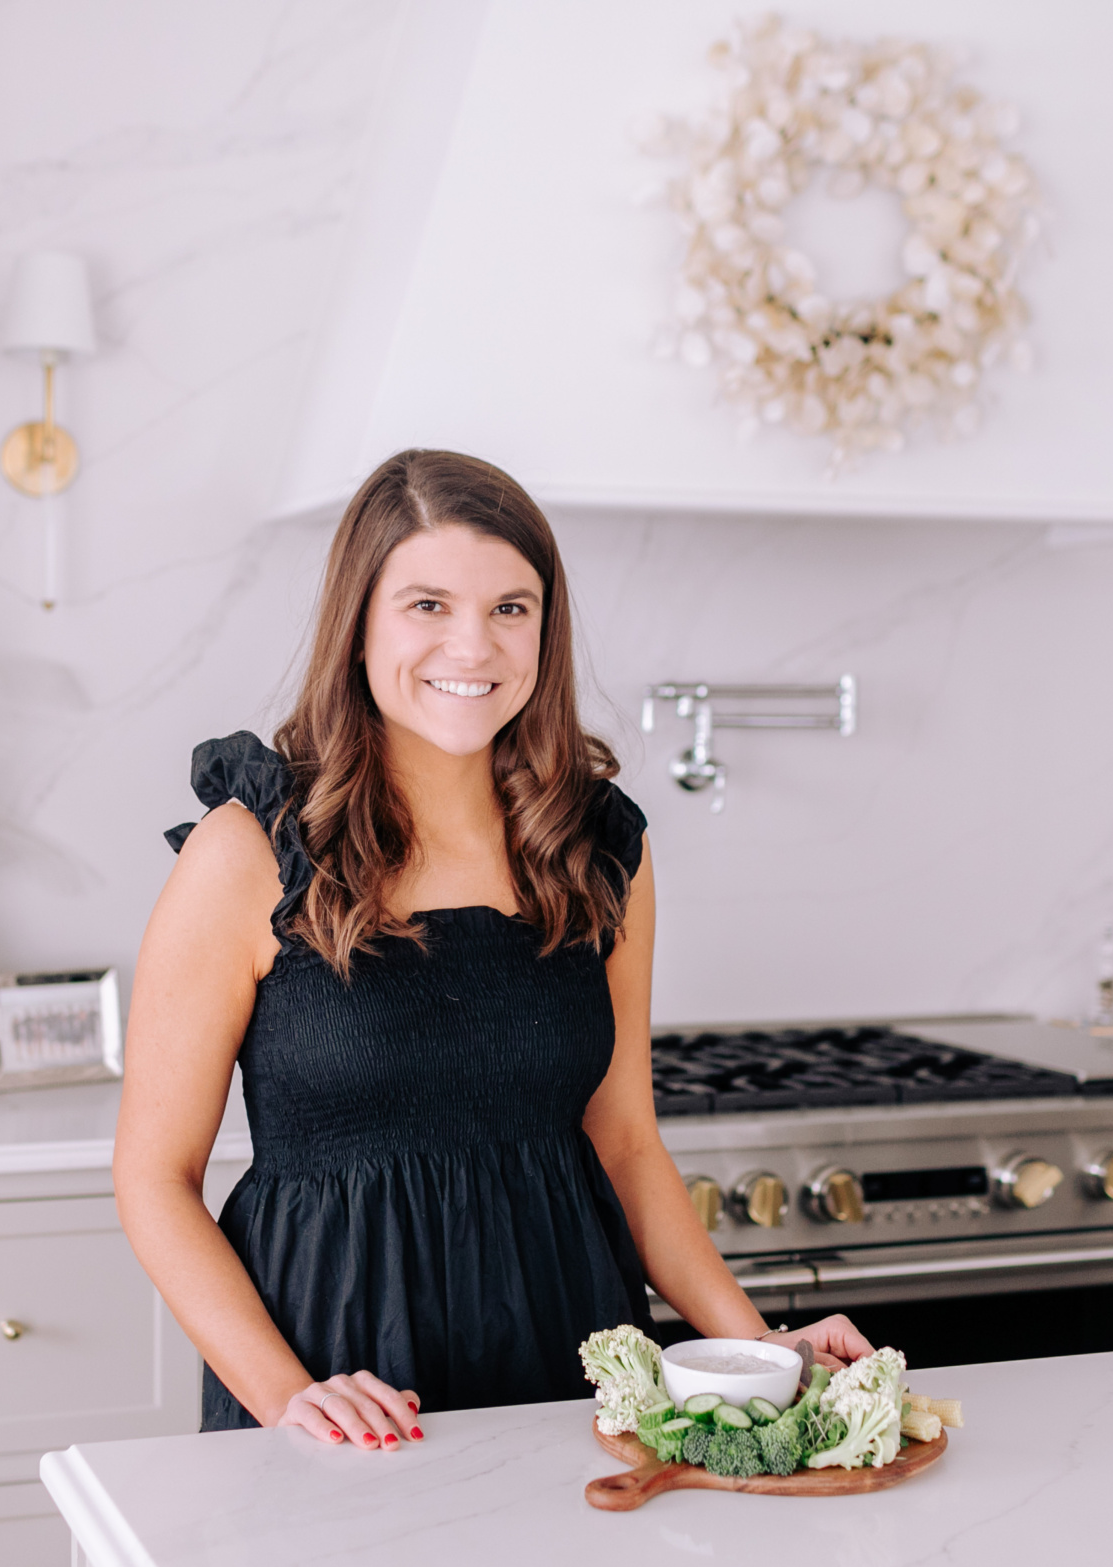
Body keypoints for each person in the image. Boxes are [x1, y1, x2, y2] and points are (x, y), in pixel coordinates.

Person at [114, 448, 873, 1451]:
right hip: (340, 1383)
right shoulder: (250, 852)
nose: (471, 646)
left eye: (510, 609)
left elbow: (627, 1144)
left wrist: (763, 1354)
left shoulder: (598, 846)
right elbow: (152, 1177)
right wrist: (289, 1396)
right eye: (427, 604)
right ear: (360, 622)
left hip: (570, 1352)